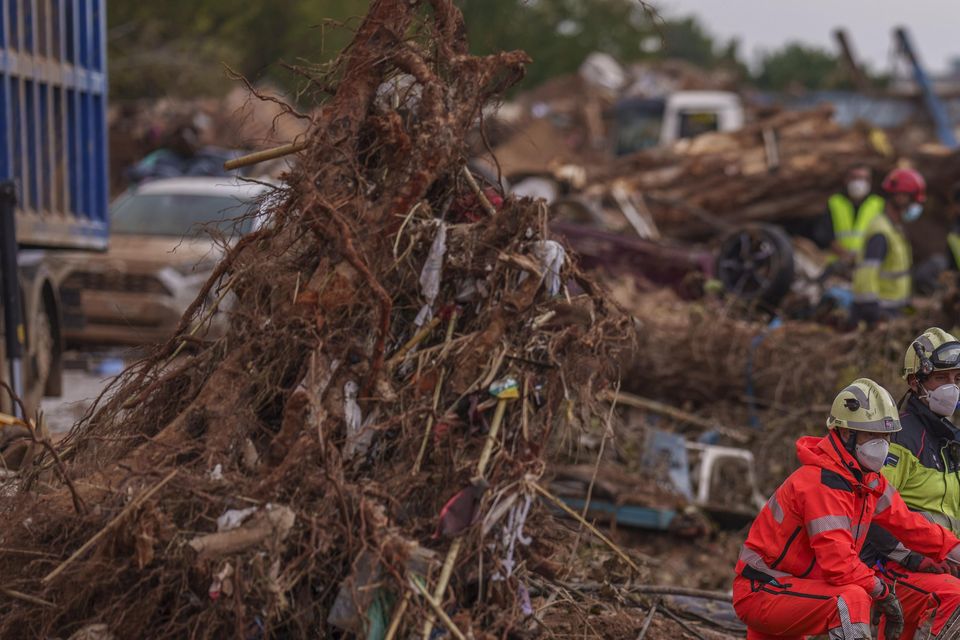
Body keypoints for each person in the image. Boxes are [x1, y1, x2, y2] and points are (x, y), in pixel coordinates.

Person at [733, 378, 960, 640]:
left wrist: (953, 550)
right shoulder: (821, 483)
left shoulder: (867, 481)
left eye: (885, 436)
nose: (881, 445)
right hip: (765, 590)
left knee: (852, 594)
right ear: (844, 433)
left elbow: (909, 524)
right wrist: (882, 591)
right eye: (871, 435)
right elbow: (839, 565)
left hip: (792, 589)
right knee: (851, 599)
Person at [861, 328, 960, 638]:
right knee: (956, 599)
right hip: (894, 565)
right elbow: (871, 511)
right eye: (942, 379)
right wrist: (915, 558)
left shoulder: (950, 442)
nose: (952, 388)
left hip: (944, 562)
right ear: (915, 382)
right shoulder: (898, 439)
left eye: (958, 379)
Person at [851, 167, 925, 324]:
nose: (914, 206)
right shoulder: (881, 232)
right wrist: (872, 311)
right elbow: (866, 274)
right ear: (900, 197)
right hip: (880, 313)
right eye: (913, 200)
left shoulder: (894, 229)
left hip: (893, 309)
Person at [816, 165, 885, 265]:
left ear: (870, 182)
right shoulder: (835, 202)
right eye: (854, 178)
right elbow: (825, 235)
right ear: (846, 180)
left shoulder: (878, 204)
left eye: (862, 178)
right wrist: (845, 255)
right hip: (837, 265)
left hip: (868, 265)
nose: (858, 183)